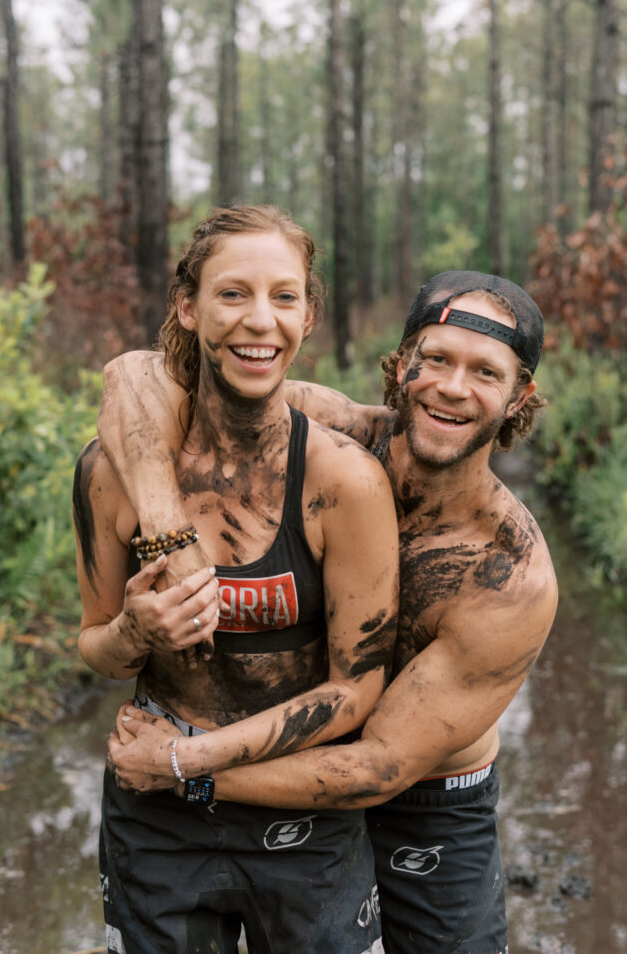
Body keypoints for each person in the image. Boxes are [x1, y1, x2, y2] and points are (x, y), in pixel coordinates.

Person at [102, 269, 558, 954]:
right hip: (287, 753)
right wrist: (172, 535)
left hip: (425, 801)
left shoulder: (511, 575)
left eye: (485, 372)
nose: (452, 387)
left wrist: (181, 769)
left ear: (519, 396)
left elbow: (379, 765)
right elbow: (136, 376)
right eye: (435, 359)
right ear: (402, 364)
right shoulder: (328, 436)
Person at [73, 204, 400, 954]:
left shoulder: (343, 481)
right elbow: (94, 646)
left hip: (300, 808)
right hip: (155, 812)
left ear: (309, 315)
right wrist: (133, 631)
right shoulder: (111, 474)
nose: (260, 321)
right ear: (186, 308)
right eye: (232, 294)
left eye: (284, 297)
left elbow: (356, 689)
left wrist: (190, 763)